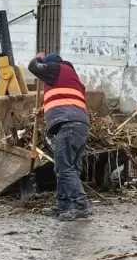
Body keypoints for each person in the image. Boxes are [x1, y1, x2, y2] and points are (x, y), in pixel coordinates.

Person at [27, 52, 92, 221]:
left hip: (68, 125)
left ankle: (80, 205)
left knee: (64, 167)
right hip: (79, 125)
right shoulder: (71, 79)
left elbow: (33, 67)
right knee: (68, 167)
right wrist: (42, 110)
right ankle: (63, 204)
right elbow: (66, 100)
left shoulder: (57, 68)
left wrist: (39, 58)